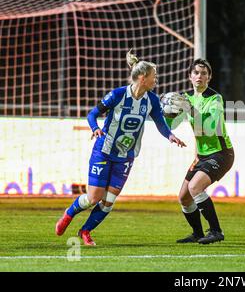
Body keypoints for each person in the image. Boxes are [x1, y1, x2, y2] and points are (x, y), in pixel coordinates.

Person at [55, 49, 186, 246]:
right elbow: (92, 114)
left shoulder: (151, 100)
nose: (156, 80)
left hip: (126, 156)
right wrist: (95, 128)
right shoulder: (117, 95)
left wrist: (171, 135)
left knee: (108, 201)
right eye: (154, 76)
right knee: (94, 197)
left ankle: (85, 231)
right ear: (142, 78)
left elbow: (160, 122)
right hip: (104, 150)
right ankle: (69, 214)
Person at [164, 58, 234, 244]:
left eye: (204, 73)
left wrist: (189, 108)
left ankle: (216, 231)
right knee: (184, 197)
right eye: (196, 72)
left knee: (195, 187)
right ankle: (197, 233)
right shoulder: (187, 98)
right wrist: (168, 111)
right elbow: (171, 123)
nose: (199, 76)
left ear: (209, 77)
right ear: (190, 76)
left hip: (221, 153)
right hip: (202, 155)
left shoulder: (215, 98)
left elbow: (209, 127)